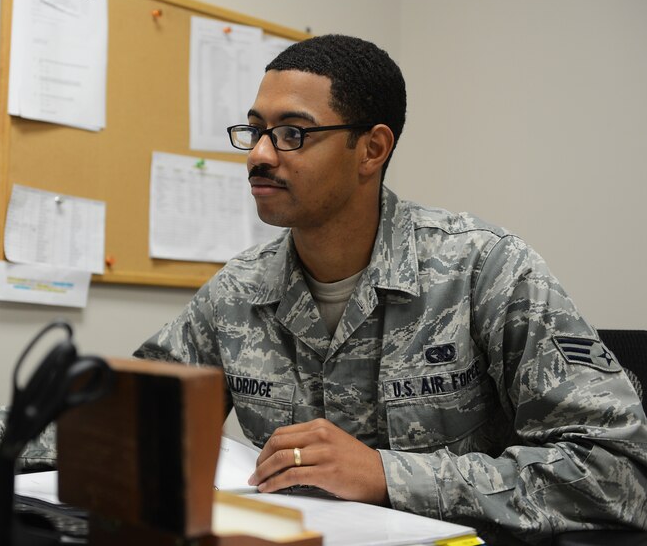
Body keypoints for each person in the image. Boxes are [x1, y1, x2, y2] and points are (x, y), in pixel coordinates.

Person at [134, 34, 647, 544]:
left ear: (372, 150)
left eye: (292, 133)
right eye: (255, 131)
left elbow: (618, 470)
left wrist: (389, 476)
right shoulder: (237, 292)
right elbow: (126, 425)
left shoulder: (484, 270)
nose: (259, 155)